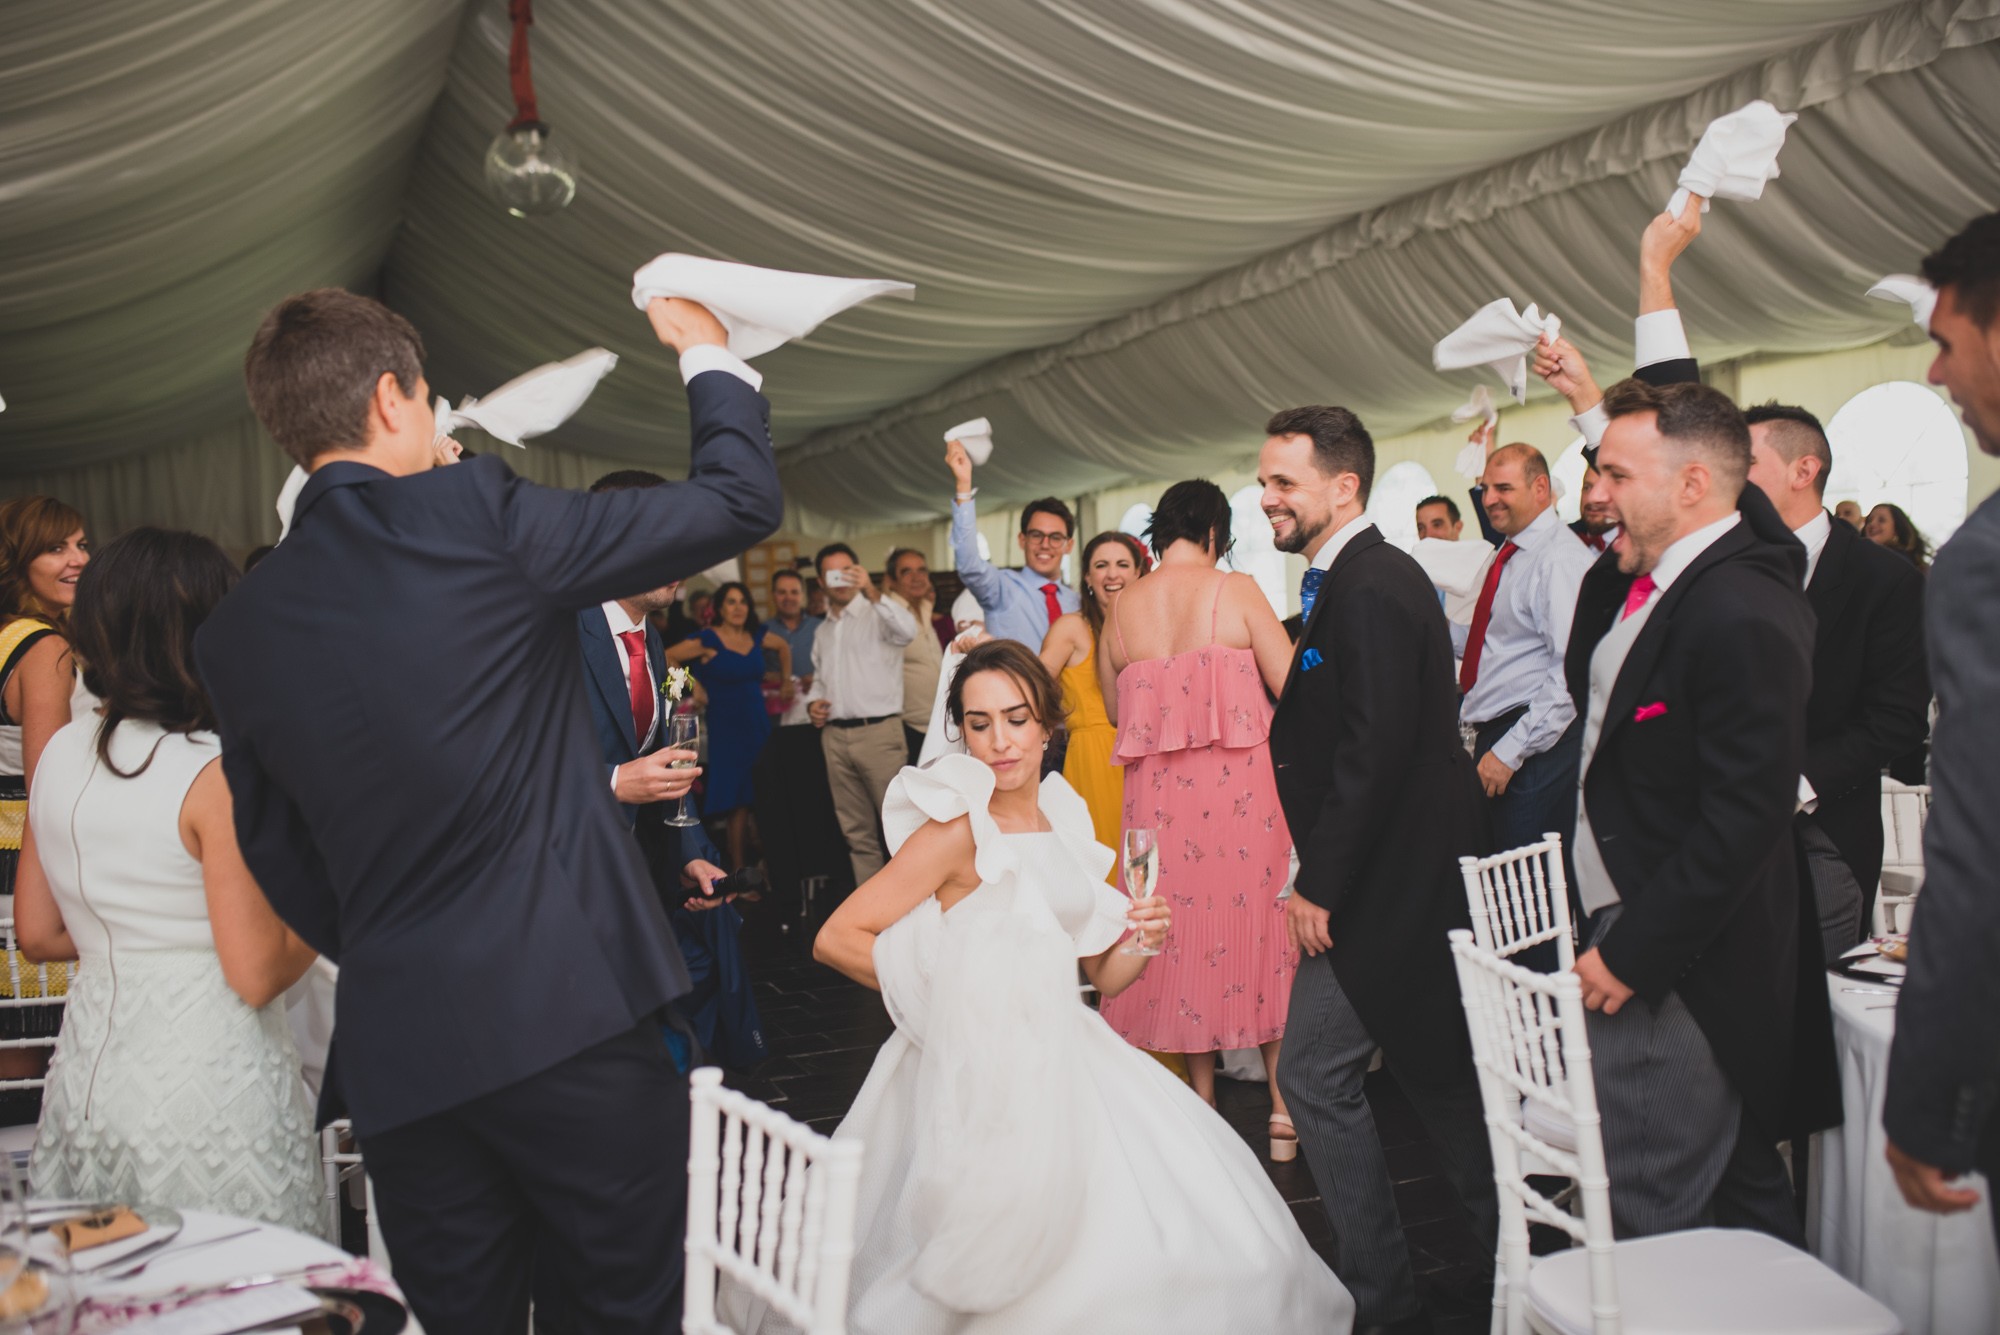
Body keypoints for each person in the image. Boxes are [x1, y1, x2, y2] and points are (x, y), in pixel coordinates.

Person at [194, 288, 780, 1334]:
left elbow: (277, 850)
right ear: (392, 398)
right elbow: (736, 500)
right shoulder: (476, 515)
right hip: (571, 1013)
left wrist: (397, 943)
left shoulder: (236, 631)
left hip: (401, 1054)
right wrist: (708, 353)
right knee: (625, 1314)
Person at [788, 641, 1354, 1334]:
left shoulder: (1064, 818)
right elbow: (837, 937)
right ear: (961, 732)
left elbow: (1103, 974)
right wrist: (962, 1000)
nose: (1000, 741)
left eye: (1016, 719)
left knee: (1173, 1234)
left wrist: (1144, 936)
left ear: (1048, 725)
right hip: (977, 1068)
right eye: (979, 723)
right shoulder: (957, 830)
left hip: (1068, 1045)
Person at [1566, 377, 1835, 1243]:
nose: (1599, 492)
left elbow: (1746, 814)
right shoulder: (1673, 578)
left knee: (1653, 1207)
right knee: (1738, 1183)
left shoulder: (1740, 603)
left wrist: (1632, 951)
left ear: (1691, 484)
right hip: (1657, 920)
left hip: (1679, 952)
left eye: (1617, 474)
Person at [1258, 407, 1497, 1332]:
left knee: (1315, 1073)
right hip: (1395, 879)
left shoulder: (1373, 582)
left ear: (1343, 485)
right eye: (1265, 481)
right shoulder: (1358, 578)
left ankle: (1384, 1299)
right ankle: (1513, 1272)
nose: (1268, 497)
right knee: (1441, 1078)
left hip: (1389, 887)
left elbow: (1377, 750)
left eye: (1284, 481)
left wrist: (1320, 881)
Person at [17, 528, 321, 1232]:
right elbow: (256, 973)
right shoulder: (214, 771)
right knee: (235, 1279)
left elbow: (37, 933)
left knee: (107, 1283)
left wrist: (140, 944)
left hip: (87, 1080)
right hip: (209, 1086)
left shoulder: (60, 753)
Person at [1096, 482, 1300, 1155]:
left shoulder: (1121, 609)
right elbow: (1292, 685)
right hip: (1243, 806)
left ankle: (1202, 1105)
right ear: (1216, 532)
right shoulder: (1235, 589)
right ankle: (1281, 1113)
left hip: (1155, 808)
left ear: (1158, 536)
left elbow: (1114, 711)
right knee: (1260, 934)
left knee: (1173, 938)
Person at [1886, 210, 2000, 1232]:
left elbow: (1979, 849)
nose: (1936, 374)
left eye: (1944, 341)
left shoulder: (1985, 560)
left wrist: (1927, 1099)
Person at [1743, 404, 1930, 959]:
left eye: (1745, 462)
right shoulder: (1721, 567)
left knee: (1817, 993)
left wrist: (1797, 785)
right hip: (1715, 825)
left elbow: (1897, 718)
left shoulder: (1883, 578)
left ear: (1803, 471)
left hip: (1823, 828)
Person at [1457, 443, 1594, 958]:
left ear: (1541, 488)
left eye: (1503, 488)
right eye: (1485, 489)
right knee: (1509, 900)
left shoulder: (1559, 558)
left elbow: (1570, 674)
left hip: (1533, 744)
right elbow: (1499, 642)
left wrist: (1509, 752)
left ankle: (1544, 1002)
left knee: (1528, 905)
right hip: (1503, 736)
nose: (1489, 499)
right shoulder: (1512, 553)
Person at [0, 497, 90, 1094]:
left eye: (81, 544)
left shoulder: (9, 636)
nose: (78, 559)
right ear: (18, 561)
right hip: (28, 854)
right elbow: (49, 780)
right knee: (31, 1055)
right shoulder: (42, 647)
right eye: (56, 548)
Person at [806, 543, 917, 884]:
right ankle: (873, 908)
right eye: (832, 574)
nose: (841, 580)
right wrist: (813, 702)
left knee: (901, 827)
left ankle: (915, 904)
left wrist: (872, 591)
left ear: (859, 572)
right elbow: (820, 679)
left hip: (879, 734)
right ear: (821, 582)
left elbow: (908, 631)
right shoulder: (822, 630)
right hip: (834, 737)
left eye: (848, 571)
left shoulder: (878, 613)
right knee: (856, 832)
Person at [670, 581, 791, 870]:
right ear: (720, 609)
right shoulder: (708, 638)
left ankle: (770, 870)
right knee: (738, 801)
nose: (738, 608)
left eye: (743, 602)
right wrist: (694, 685)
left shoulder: (756, 635)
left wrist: (786, 680)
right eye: (731, 602)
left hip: (757, 724)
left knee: (764, 795)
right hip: (726, 728)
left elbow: (783, 647)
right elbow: (667, 655)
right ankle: (738, 873)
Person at [945, 438, 1078, 646]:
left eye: (1055, 537)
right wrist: (963, 486)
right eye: (1036, 535)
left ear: (1068, 545)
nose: (1045, 544)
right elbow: (969, 566)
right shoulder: (1001, 588)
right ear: (1022, 540)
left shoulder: (1076, 602)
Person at [883, 547, 945, 762]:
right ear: (891, 580)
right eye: (906, 572)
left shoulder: (926, 608)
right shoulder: (888, 616)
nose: (917, 577)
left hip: (939, 726)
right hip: (909, 729)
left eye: (922, 570)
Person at [762, 567, 821, 697]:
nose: (788, 597)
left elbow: (837, 666)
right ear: (773, 595)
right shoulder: (761, 630)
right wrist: (767, 676)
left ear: (803, 595)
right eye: (782, 592)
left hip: (815, 701)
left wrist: (817, 677)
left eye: (794, 592)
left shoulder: (821, 627)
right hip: (777, 703)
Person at [1865, 502, 1931, 571]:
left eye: (1881, 520)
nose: (1872, 524)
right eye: (1869, 520)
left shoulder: (1902, 564)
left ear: (1897, 529)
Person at [1572, 463, 1620, 553]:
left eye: (1604, 490)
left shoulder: (1637, 548)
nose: (1592, 498)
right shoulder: (1563, 534)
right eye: (1587, 488)